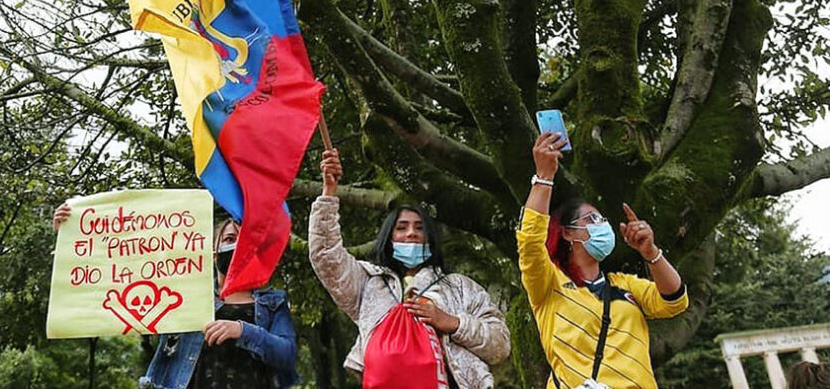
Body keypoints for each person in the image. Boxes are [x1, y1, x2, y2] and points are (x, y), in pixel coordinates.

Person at [309, 148, 511, 389]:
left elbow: (500, 346)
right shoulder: (368, 284)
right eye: (401, 228)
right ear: (389, 238)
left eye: (419, 227)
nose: (412, 233)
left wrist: (453, 323)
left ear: (431, 238)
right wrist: (329, 193)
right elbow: (325, 255)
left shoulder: (460, 287)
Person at [52, 204, 299, 389]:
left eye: (242, 241)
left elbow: (287, 355)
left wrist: (242, 330)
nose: (235, 247)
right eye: (229, 239)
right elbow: (116, 276)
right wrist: (70, 233)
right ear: (212, 251)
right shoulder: (184, 294)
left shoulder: (272, 303)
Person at [517, 133, 689, 389]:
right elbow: (530, 243)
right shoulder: (548, 282)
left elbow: (674, 302)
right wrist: (544, 177)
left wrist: (651, 252)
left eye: (603, 221)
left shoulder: (624, 285)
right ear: (567, 233)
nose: (602, 227)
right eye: (591, 220)